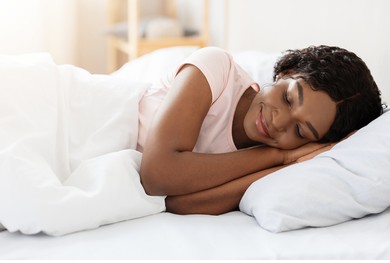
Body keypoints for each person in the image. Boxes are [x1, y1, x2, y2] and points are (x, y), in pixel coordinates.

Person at [137, 45, 383, 215]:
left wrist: (284, 165)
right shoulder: (217, 69)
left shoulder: (272, 158)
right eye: (288, 98)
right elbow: (156, 177)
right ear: (285, 72)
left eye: (299, 130)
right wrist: (277, 157)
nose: (278, 122)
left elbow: (178, 204)